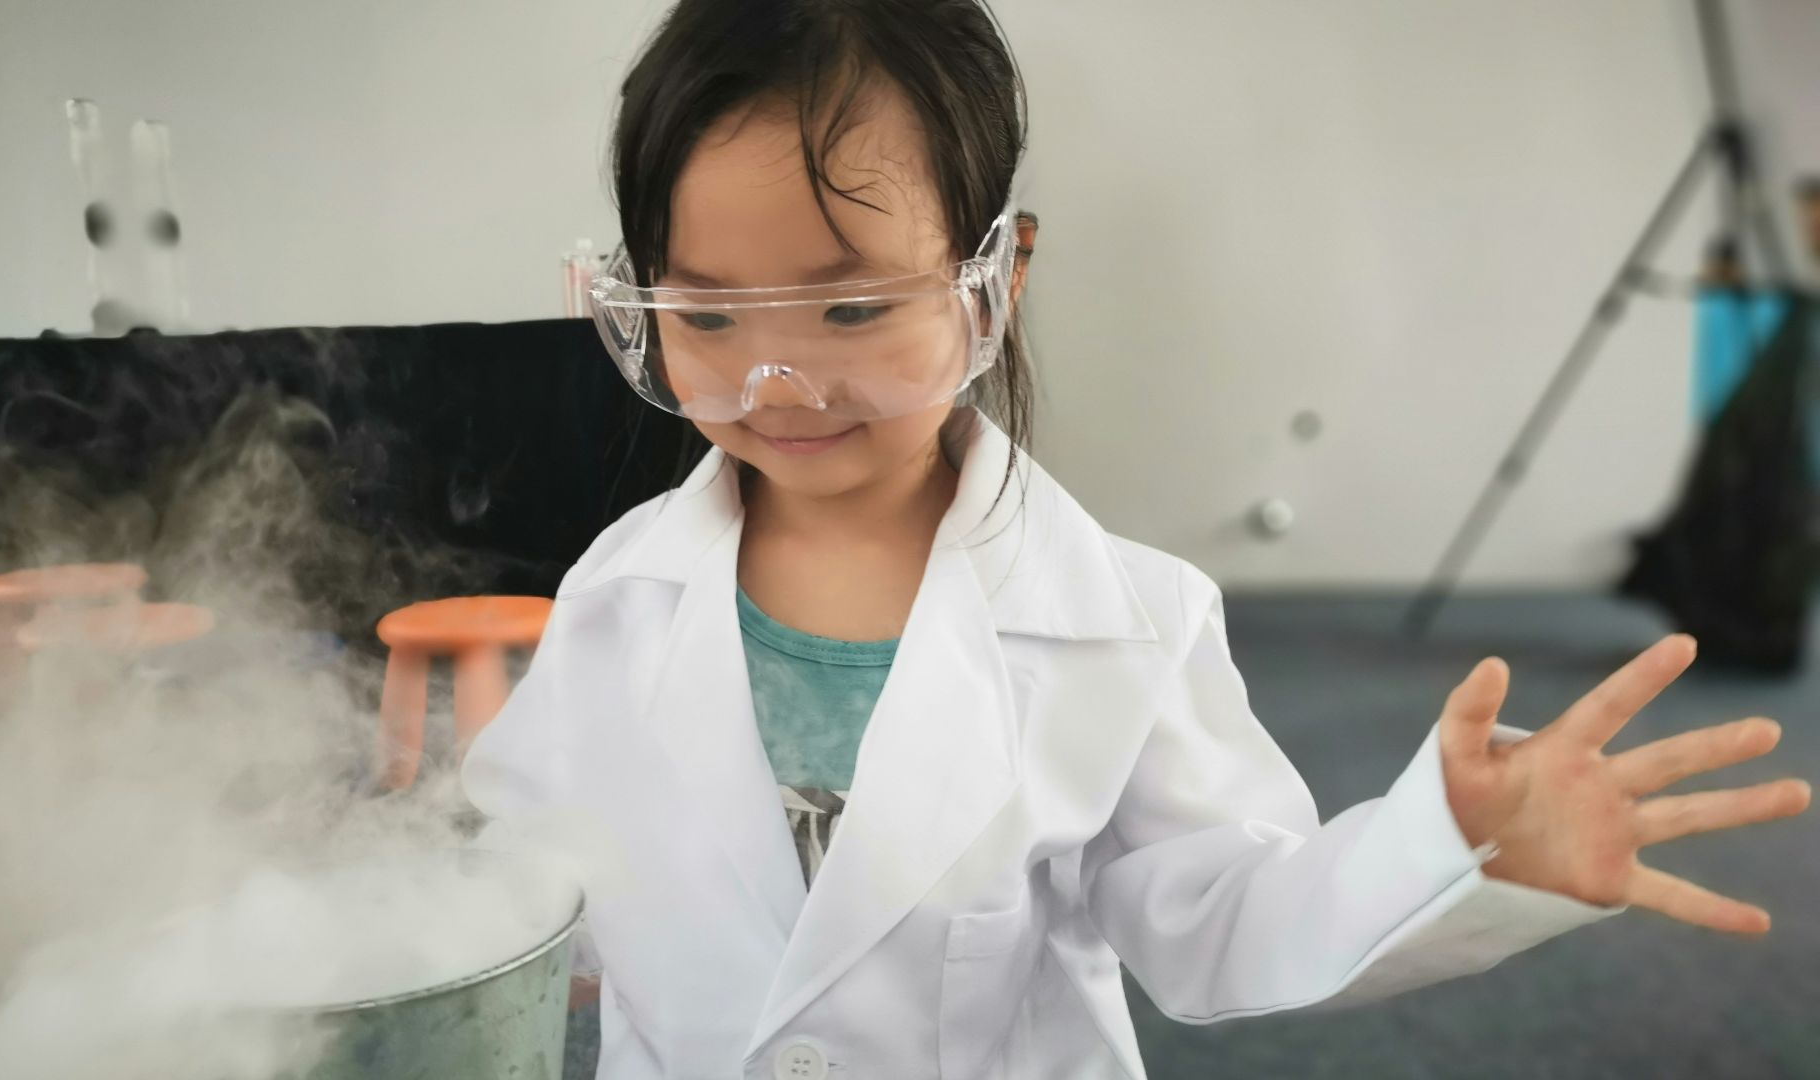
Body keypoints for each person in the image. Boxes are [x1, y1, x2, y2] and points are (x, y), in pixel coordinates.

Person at [463, 2, 1811, 1076]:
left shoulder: (1125, 622)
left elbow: (1223, 914)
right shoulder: (618, 595)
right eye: (707, 319)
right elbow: (522, 864)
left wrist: (1446, 852)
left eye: (854, 310)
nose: (780, 384)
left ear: (1001, 273)